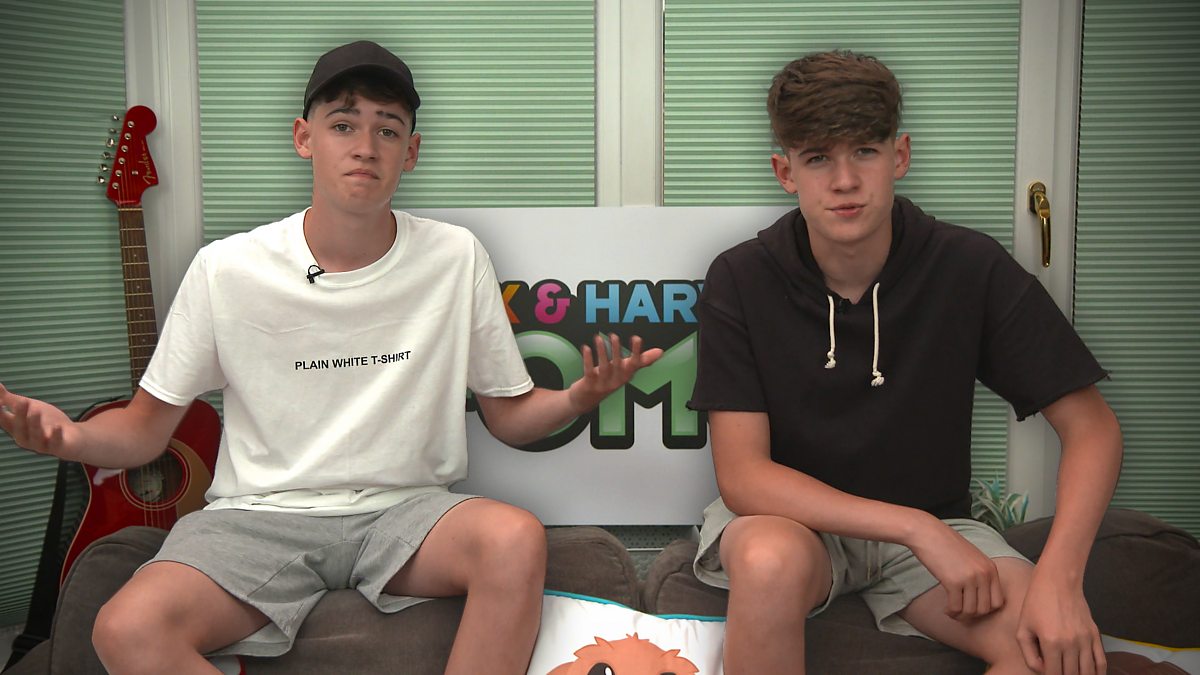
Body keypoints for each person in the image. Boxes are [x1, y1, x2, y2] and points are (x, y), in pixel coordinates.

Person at [0, 40, 661, 675]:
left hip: (407, 514)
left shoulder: (456, 256)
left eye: (388, 129)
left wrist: (578, 396)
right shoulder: (226, 268)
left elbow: (510, 416)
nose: (365, 146)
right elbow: (145, 430)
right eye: (343, 124)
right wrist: (71, 437)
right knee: (125, 628)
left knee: (514, 537)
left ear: (411, 151)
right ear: (304, 137)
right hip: (256, 519)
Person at [688, 50, 1122, 675]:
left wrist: (1060, 579)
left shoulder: (968, 266)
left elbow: (1092, 428)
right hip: (793, 524)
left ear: (900, 156)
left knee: (1052, 656)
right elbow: (744, 476)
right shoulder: (740, 277)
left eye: (865, 151)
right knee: (768, 559)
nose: (844, 181)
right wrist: (917, 529)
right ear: (786, 172)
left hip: (935, 526)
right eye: (818, 158)